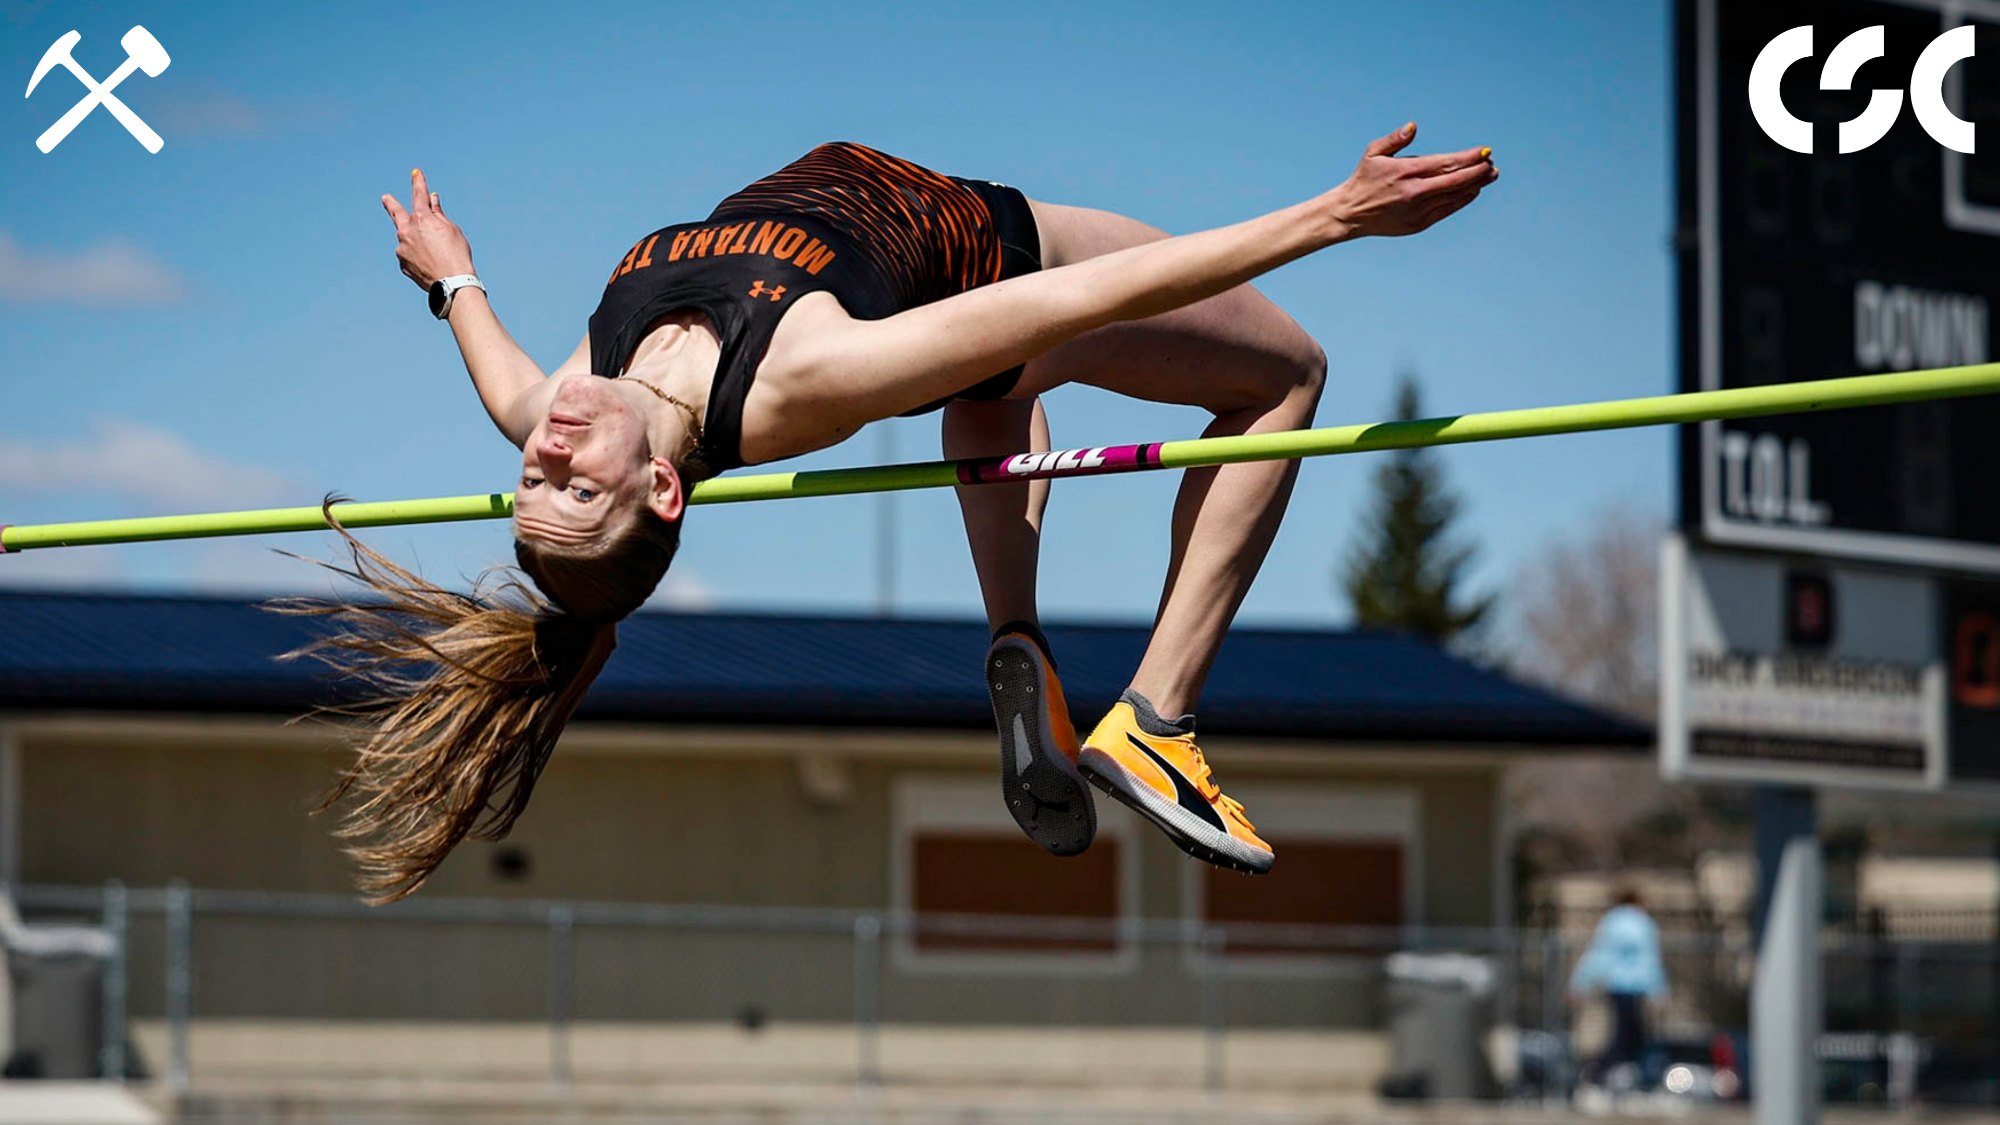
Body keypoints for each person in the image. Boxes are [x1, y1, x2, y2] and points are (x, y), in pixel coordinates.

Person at [282, 129, 1497, 901]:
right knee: (1283, 376)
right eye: (574, 484)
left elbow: (486, 354)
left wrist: (448, 270)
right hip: (1007, 259)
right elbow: (1091, 292)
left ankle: (1016, 642)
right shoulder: (804, 375)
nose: (545, 456)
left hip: (946, 319)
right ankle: (1159, 717)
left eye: (533, 487)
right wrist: (1329, 217)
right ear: (662, 488)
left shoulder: (562, 401)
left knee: (993, 408)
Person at [1568, 887, 1668, 1088]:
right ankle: (1597, 1075)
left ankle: (1624, 1080)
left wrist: (1580, 983)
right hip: (1635, 988)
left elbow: (1597, 956)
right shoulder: (1642, 923)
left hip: (1616, 986)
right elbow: (1649, 960)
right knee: (1627, 1038)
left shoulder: (1611, 921)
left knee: (1630, 1036)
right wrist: (1658, 990)